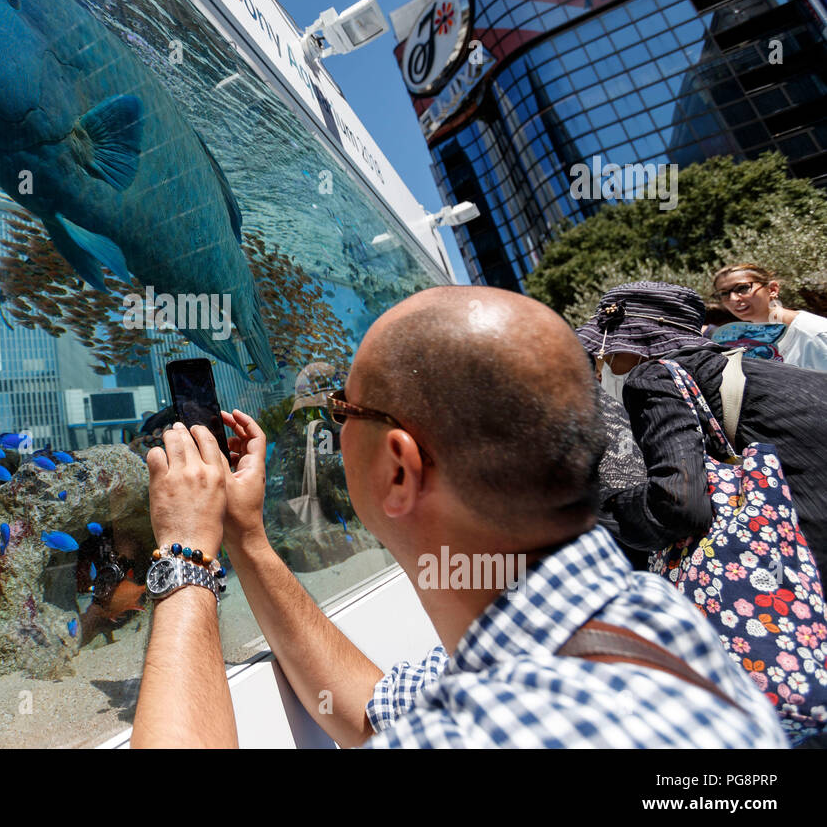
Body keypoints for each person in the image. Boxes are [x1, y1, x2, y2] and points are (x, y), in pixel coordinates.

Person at [130, 286, 785, 748]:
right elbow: (371, 712)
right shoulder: (638, 616)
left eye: (343, 409)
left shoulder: (504, 729)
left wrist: (186, 553)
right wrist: (246, 539)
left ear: (399, 468)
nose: (334, 426)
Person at [580, 281, 827, 578]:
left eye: (609, 352)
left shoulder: (653, 375)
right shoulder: (755, 368)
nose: (603, 364)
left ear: (638, 347)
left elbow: (678, 509)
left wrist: (599, 505)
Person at [711, 263, 827, 371]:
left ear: (772, 289)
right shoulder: (751, 343)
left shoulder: (815, 334)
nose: (733, 299)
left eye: (742, 288)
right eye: (724, 293)